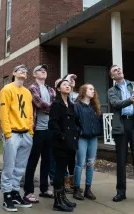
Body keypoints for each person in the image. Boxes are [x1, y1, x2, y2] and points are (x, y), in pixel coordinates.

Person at [108, 65, 134, 204]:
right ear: (112, 77)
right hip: (121, 125)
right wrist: (130, 100)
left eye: (119, 69)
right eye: (115, 70)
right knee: (121, 160)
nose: (118, 71)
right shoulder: (111, 90)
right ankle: (121, 192)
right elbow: (116, 104)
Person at [0, 65, 33, 212]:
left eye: (25, 71)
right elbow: (4, 112)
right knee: (9, 166)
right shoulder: (7, 89)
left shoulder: (27, 92)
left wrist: (30, 132)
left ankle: (14, 193)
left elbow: (30, 113)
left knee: (19, 167)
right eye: (20, 70)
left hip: (26, 134)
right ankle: (7, 196)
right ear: (13, 73)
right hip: (12, 133)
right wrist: (7, 133)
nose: (23, 72)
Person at [23, 64, 55, 203]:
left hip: (49, 130)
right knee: (33, 160)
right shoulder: (32, 88)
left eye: (44, 70)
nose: (43, 71)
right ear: (34, 74)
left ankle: (44, 189)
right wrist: (50, 107)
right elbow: (40, 104)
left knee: (47, 160)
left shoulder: (50, 89)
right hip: (37, 130)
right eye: (40, 70)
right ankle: (28, 191)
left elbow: (54, 104)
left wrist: (50, 107)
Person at [49, 78, 79, 212]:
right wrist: (61, 136)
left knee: (65, 172)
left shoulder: (71, 105)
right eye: (64, 85)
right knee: (60, 172)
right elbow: (53, 123)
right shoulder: (56, 104)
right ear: (59, 89)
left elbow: (74, 123)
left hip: (70, 143)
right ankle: (57, 202)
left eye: (69, 85)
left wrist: (75, 135)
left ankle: (63, 198)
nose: (67, 86)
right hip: (60, 143)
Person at [73, 84, 103, 201]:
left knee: (91, 163)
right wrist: (79, 132)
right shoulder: (77, 106)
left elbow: (99, 121)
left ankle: (88, 189)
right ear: (83, 91)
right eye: (90, 89)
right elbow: (73, 122)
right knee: (80, 163)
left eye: (93, 89)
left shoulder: (94, 106)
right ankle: (76, 189)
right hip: (82, 138)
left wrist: (98, 131)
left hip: (93, 138)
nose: (93, 90)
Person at [63, 74, 77, 192]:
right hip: (64, 131)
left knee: (72, 158)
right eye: (69, 79)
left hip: (74, 130)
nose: (72, 81)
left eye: (73, 79)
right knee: (64, 157)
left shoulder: (77, 95)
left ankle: (72, 181)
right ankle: (65, 181)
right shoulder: (63, 96)